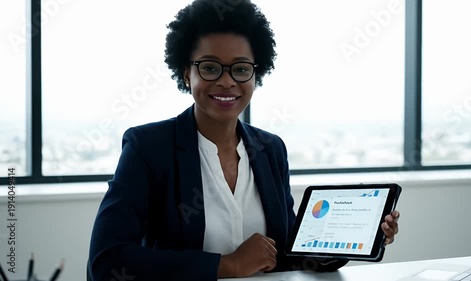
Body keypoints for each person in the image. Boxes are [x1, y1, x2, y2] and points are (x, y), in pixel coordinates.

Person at [87, 0, 400, 280]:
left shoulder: (270, 149)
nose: (226, 81)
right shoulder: (148, 147)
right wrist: (227, 265)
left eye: (240, 69)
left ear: (255, 75)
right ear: (186, 73)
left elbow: (288, 257)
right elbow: (107, 262)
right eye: (209, 67)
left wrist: (356, 238)